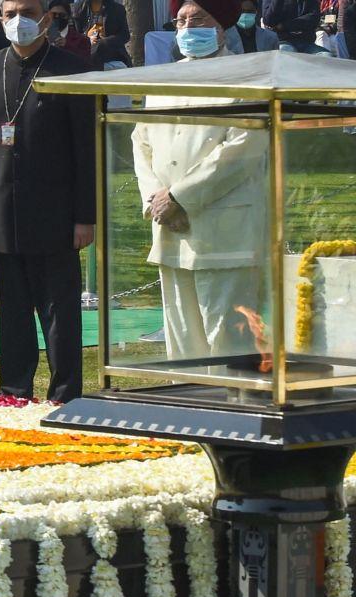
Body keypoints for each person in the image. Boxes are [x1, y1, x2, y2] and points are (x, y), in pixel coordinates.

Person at [0, 0, 94, 402]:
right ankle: (14, 391)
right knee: (12, 310)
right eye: (10, 13)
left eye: (29, 11)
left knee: (59, 312)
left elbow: (86, 150)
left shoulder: (72, 70)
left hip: (56, 212)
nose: (18, 20)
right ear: (0, 18)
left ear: (46, 17)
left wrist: (85, 216)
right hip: (1, 208)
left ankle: (65, 393)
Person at [132, 0, 267, 364]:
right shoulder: (164, 79)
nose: (188, 27)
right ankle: (186, 397)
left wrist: (180, 197)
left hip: (225, 231)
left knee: (227, 338)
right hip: (169, 229)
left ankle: (234, 399)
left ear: (221, 26)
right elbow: (140, 141)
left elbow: (242, 148)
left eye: (198, 19)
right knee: (182, 340)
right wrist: (156, 201)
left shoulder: (247, 77)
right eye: (181, 21)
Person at [72, 0, 131, 68]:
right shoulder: (77, 9)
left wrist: (106, 40)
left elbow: (125, 35)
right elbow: (72, 35)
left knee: (100, 46)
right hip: (85, 54)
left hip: (111, 55)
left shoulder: (117, 9)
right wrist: (87, 36)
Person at [263, 0, 330, 52]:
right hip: (282, 41)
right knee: (287, 55)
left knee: (326, 56)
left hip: (306, 42)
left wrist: (284, 26)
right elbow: (268, 21)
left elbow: (314, 18)